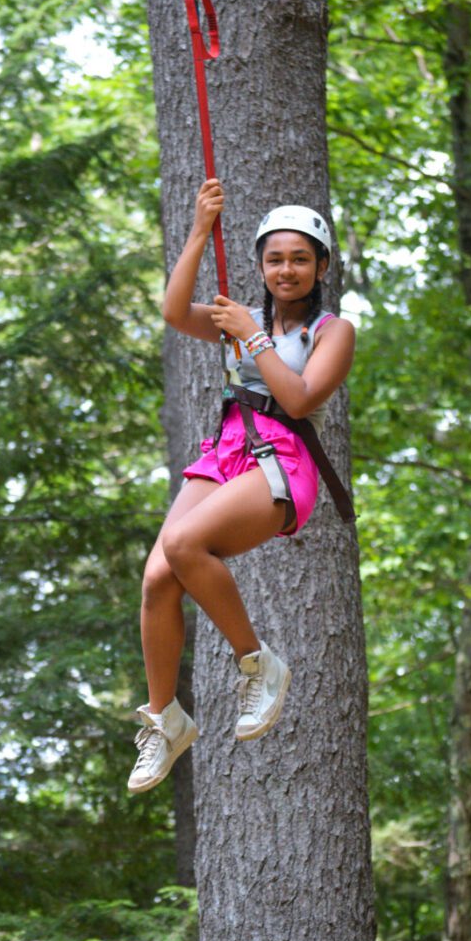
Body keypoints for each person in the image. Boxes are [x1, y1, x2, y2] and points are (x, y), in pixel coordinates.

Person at [128, 177, 355, 794]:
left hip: (282, 458)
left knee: (184, 546)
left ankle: (257, 663)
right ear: (259, 262)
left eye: (300, 259)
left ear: (322, 267)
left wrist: (251, 338)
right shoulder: (241, 316)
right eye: (275, 258)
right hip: (227, 452)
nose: (287, 269)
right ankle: (166, 718)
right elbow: (175, 312)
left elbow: (301, 395)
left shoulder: (331, 332)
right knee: (156, 579)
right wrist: (201, 230)